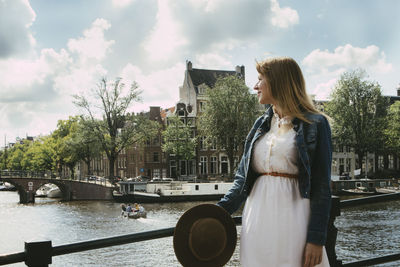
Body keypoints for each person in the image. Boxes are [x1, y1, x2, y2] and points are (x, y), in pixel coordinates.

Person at [217, 57, 332, 267]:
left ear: (278, 82)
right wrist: (216, 213)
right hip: (257, 219)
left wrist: (316, 238)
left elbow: (322, 186)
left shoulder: (315, 124)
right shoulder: (261, 124)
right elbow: (242, 179)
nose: (255, 86)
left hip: (294, 218)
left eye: (260, 79)